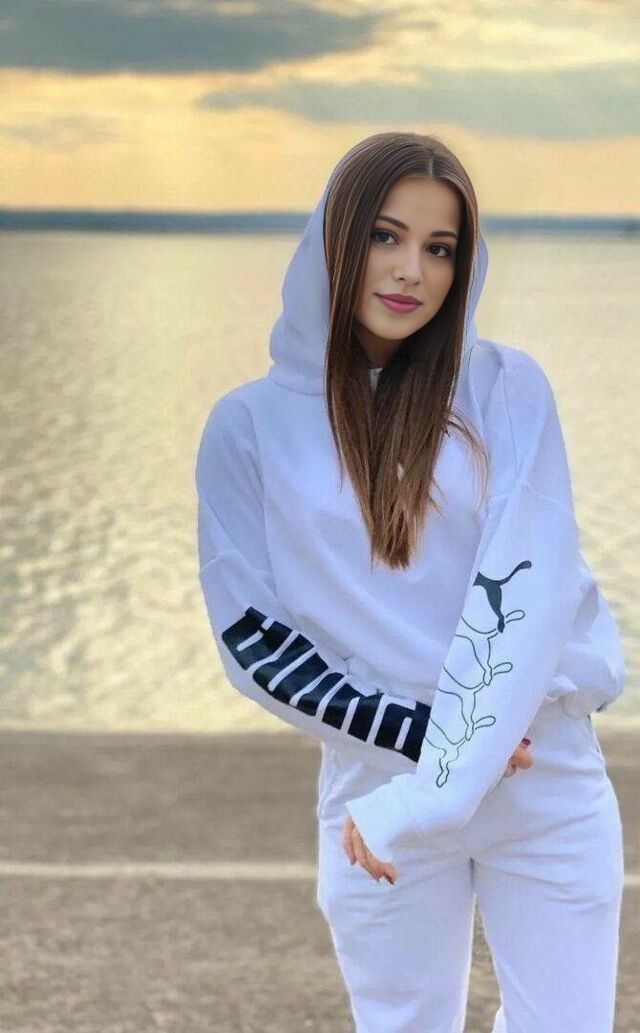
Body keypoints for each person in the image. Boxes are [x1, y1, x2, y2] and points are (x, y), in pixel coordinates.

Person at [195, 132, 626, 1032]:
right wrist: (428, 749)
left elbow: (528, 584)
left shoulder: (505, 387)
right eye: (386, 236)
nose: (410, 271)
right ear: (336, 238)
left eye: (440, 248)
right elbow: (255, 640)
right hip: (378, 773)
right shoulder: (249, 428)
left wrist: (445, 778)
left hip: (540, 771)